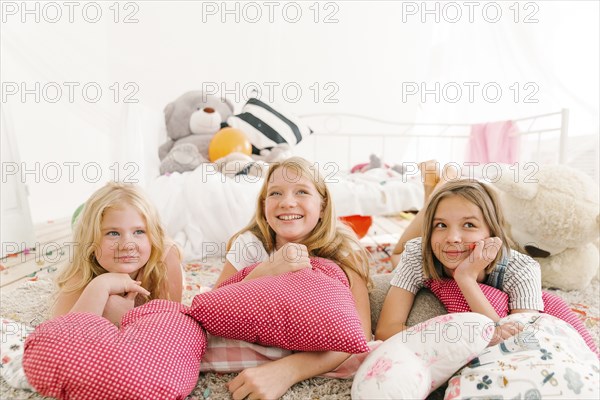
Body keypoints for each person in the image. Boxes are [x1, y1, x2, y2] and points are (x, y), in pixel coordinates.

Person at [214, 156, 372, 400]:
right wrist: (266, 271)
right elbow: (215, 308)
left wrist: (287, 371)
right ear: (264, 205)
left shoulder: (342, 250)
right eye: (276, 193)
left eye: (301, 192)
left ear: (322, 206)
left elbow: (359, 337)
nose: (287, 202)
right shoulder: (251, 244)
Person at [377, 166, 543, 343]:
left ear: (492, 231)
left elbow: (518, 341)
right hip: (425, 248)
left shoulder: (522, 269)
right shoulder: (417, 253)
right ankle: (437, 189)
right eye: (441, 225)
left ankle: (443, 184)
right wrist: (454, 341)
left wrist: (467, 279)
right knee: (397, 255)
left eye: (469, 225)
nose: (452, 238)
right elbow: (386, 330)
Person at [53, 182, 183, 325]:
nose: (127, 245)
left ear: (152, 236)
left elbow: (169, 328)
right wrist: (101, 285)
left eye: (139, 231)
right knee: (84, 220)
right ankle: (80, 219)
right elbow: (59, 335)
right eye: (113, 233)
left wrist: (120, 322)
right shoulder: (83, 269)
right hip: (88, 233)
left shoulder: (164, 258)